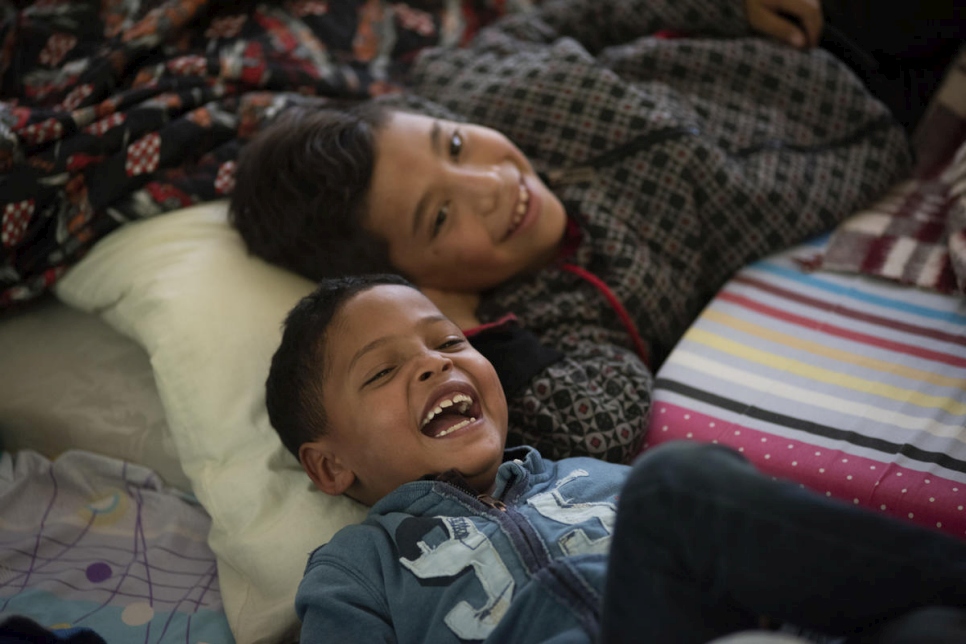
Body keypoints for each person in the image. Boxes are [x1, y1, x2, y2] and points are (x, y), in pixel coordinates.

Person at [233, 0, 953, 461]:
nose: (492, 184)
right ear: (423, 280)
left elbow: (576, 14)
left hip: (809, 29)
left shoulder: (471, 80)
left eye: (455, 146)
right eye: (441, 217)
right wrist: (478, 334)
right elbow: (602, 419)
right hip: (891, 128)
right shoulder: (562, 309)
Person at [266, 273, 966, 644]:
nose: (432, 367)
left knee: (930, 629)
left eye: (448, 343)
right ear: (328, 467)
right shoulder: (355, 569)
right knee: (674, 485)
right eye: (382, 373)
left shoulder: (585, 475)